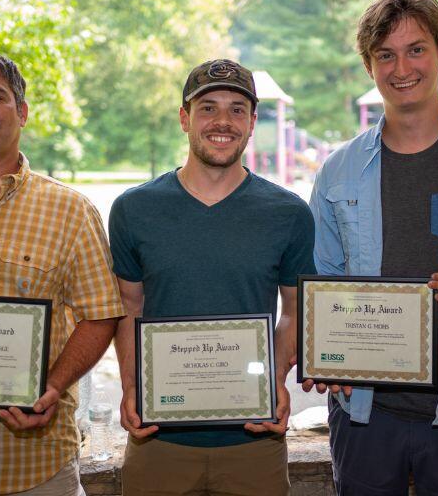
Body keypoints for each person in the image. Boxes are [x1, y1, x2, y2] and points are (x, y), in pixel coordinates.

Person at [108, 59, 316, 495]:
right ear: (185, 118)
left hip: (252, 438)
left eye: (238, 109)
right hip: (159, 435)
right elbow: (129, 306)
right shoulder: (134, 209)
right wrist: (130, 387)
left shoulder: (289, 213)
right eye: (208, 107)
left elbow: (294, 314)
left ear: (253, 121)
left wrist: (274, 381)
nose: (223, 121)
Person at [0, 52, 123, 496]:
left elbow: (101, 315)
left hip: (33, 469)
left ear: (22, 111)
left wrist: (52, 386)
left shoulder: (70, 210)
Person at [308, 0, 438, 495]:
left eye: (416, 49)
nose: (402, 67)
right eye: (385, 55)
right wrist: (325, 353)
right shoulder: (338, 171)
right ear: (369, 66)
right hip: (365, 412)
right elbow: (323, 278)